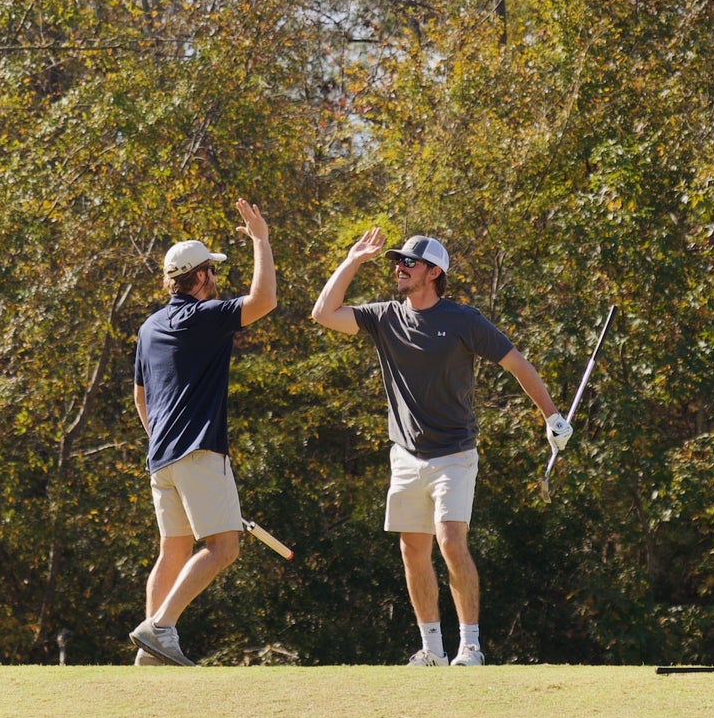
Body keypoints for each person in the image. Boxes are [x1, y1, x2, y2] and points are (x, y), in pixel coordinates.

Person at [312, 229, 570, 665]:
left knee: (450, 541)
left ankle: (470, 645)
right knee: (413, 549)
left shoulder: (463, 320)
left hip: (454, 452)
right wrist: (353, 260)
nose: (399, 268)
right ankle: (431, 649)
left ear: (434, 273)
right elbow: (323, 312)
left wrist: (552, 416)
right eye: (398, 262)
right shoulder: (384, 316)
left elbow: (516, 363)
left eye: (409, 263)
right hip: (406, 454)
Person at [130, 200, 276, 666]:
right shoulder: (205, 317)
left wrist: (162, 439)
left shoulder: (149, 327)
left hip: (162, 457)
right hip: (199, 452)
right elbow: (265, 301)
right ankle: (161, 629)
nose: (216, 279)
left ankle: (152, 653)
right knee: (223, 547)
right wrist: (261, 241)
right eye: (212, 271)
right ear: (200, 278)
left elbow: (141, 398)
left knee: (172, 550)